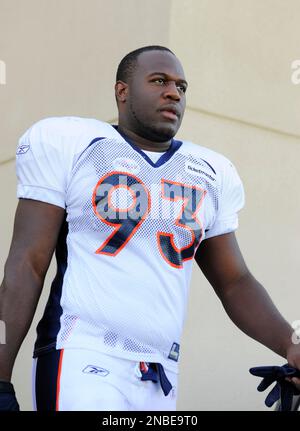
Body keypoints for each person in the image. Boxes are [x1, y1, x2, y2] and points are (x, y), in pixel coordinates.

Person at [0, 45, 299, 411]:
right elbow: (27, 263)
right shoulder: (73, 144)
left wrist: (290, 344)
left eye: (181, 86)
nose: (174, 92)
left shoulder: (209, 171)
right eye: (159, 81)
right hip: (83, 356)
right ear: (122, 91)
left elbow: (235, 283)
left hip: (160, 372)